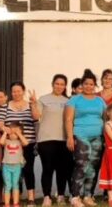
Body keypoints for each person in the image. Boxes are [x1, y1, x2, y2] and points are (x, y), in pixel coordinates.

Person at [65, 69, 107, 207]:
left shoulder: (100, 100)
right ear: (82, 85)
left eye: (91, 84)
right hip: (80, 136)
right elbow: (68, 119)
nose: (89, 86)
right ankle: (75, 197)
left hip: (97, 137)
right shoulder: (74, 99)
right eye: (86, 84)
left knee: (93, 168)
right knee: (81, 165)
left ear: (95, 85)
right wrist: (70, 137)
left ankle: (88, 195)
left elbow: (105, 119)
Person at [0, 82, 41, 206]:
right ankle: (12, 198)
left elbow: (37, 117)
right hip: (11, 144)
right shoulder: (5, 107)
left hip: (28, 143)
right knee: (11, 171)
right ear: (11, 93)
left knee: (28, 170)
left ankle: (31, 198)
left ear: (23, 91)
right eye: (14, 91)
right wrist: (6, 129)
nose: (16, 93)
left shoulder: (30, 105)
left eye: (19, 91)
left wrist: (33, 104)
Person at [37, 75, 74, 207]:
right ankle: (47, 196)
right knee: (47, 169)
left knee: (62, 170)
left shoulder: (69, 101)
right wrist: (32, 103)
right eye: (57, 83)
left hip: (63, 139)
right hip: (46, 139)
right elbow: (36, 116)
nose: (59, 86)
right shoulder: (43, 99)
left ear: (65, 86)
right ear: (52, 84)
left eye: (62, 84)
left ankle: (61, 195)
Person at [1, 121, 30, 207]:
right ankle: (6, 203)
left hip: (17, 166)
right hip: (6, 165)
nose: (13, 134)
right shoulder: (6, 141)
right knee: (7, 185)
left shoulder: (20, 142)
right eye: (11, 133)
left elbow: (26, 143)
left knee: (15, 184)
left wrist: (19, 133)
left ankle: (15, 203)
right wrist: (5, 132)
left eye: (15, 133)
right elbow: (1, 142)